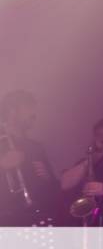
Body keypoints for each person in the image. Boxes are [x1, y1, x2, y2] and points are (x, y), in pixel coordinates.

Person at [0, 90, 58, 225]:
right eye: (28, 108)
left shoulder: (35, 147)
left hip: (38, 217)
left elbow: (54, 187)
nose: (34, 114)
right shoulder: (2, 141)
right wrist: (2, 165)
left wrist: (48, 177)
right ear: (12, 111)